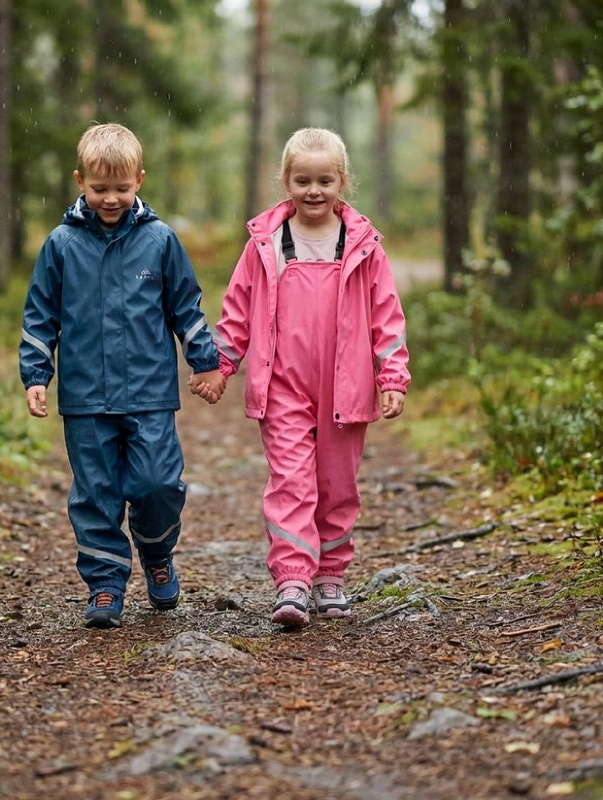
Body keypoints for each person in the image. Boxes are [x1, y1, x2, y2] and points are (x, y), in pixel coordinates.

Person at [192, 127, 409, 627]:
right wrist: (220, 365)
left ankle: (330, 576)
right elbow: (238, 310)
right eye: (302, 180)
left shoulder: (362, 246)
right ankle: (292, 579)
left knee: (336, 486)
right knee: (291, 482)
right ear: (285, 181)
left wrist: (392, 376)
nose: (314, 191)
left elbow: (387, 317)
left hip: (346, 387)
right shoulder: (266, 244)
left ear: (342, 182)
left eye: (325, 181)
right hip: (283, 386)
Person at [20, 122, 225, 629]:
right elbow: (40, 316)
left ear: (139, 180)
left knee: (157, 484)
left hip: (149, 393)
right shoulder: (61, 244)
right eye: (99, 189)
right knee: (95, 493)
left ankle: (157, 556)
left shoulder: (159, 240)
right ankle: (106, 584)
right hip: (85, 399)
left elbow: (186, 307)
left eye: (121, 188)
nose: (110, 199)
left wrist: (204, 360)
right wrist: (36, 375)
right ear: (80, 182)